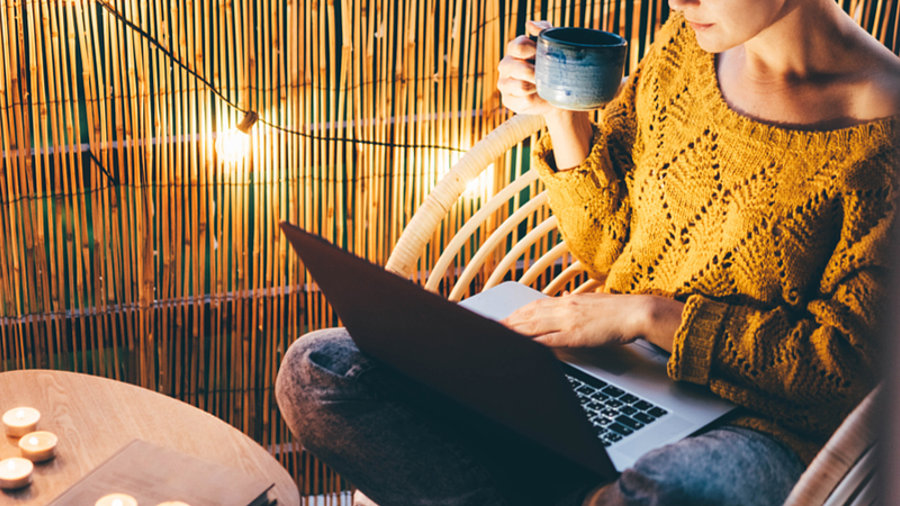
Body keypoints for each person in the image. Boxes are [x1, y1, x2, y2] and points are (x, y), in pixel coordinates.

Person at [276, 0, 900, 503]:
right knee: (319, 370)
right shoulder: (686, 45)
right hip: (608, 364)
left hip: (760, 423)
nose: (679, 1)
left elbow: (846, 371)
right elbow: (604, 248)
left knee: (664, 492)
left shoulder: (885, 131)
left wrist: (649, 315)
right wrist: (559, 115)